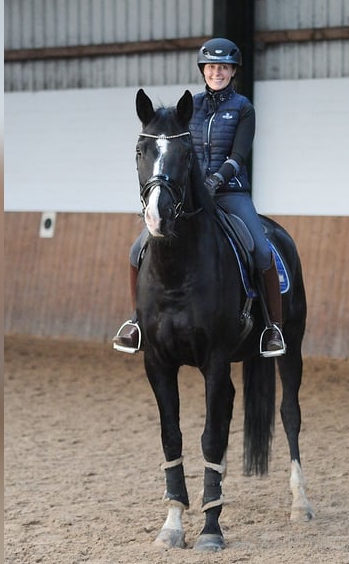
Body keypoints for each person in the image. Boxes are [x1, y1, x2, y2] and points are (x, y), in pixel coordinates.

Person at [113, 37, 285, 357]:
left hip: (231, 193)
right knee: (137, 248)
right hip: (190, 197)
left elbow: (238, 154)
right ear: (203, 71)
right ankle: (137, 321)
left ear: (233, 71)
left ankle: (272, 327)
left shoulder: (243, 108)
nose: (216, 72)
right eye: (211, 67)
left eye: (223, 67)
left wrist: (217, 179)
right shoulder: (188, 107)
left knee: (262, 250)